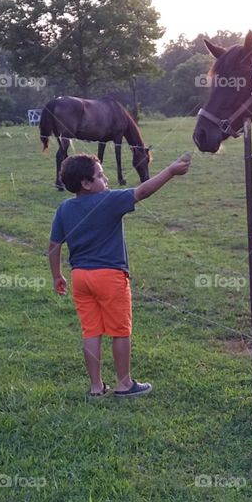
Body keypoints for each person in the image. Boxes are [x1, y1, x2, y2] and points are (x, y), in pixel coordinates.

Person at [49, 151, 191, 397]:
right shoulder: (108, 200)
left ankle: (96, 387)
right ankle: (124, 384)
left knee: (91, 331)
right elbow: (142, 192)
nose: (106, 180)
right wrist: (170, 171)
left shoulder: (64, 208)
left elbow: (54, 246)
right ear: (86, 184)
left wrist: (56, 276)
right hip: (110, 278)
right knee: (120, 331)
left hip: (80, 277)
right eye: (100, 176)